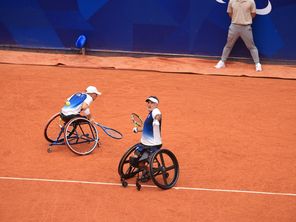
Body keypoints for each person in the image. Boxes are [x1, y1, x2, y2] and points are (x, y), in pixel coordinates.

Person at [215, 0, 262, 72]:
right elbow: (230, 13)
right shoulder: (232, 1)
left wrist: (245, 20)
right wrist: (237, 20)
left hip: (246, 27)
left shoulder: (251, 1)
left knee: (251, 46)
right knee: (228, 45)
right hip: (234, 26)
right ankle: (222, 62)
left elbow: (253, 14)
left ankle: (257, 64)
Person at [130, 96, 162, 180]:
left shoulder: (155, 111)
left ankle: (148, 171)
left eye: (152, 103)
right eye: (148, 102)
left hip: (153, 144)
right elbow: (146, 128)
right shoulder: (149, 115)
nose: (149, 104)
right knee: (133, 159)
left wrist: (156, 121)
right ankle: (146, 170)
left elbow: (158, 116)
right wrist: (137, 129)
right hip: (143, 144)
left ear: (156, 104)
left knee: (141, 161)